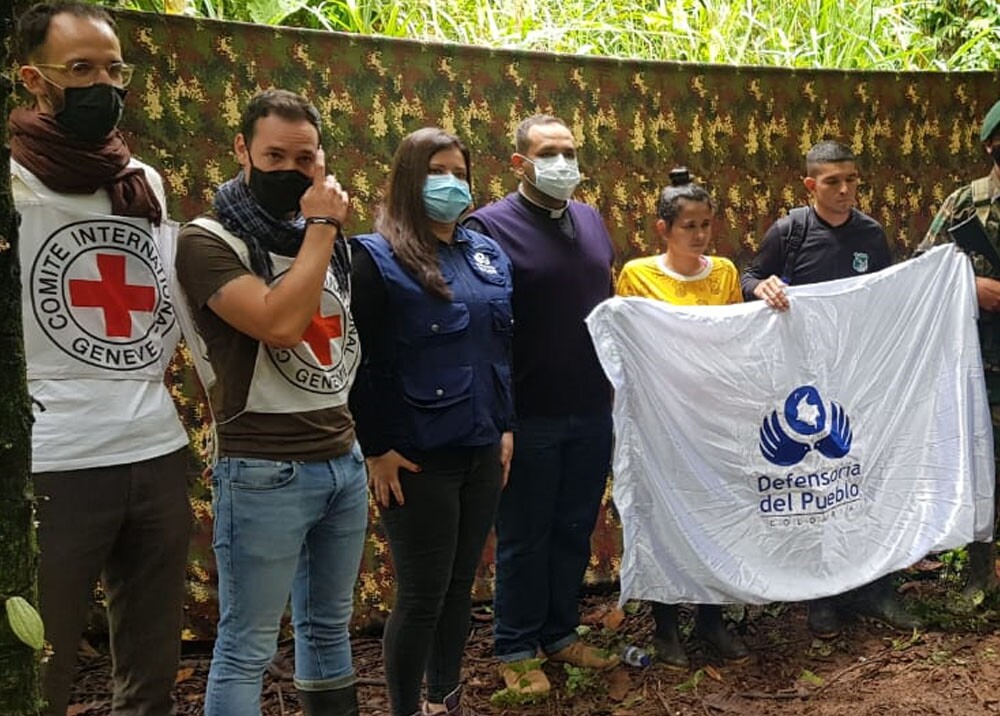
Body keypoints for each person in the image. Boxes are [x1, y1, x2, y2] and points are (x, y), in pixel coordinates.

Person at [11, 4, 192, 714]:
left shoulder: (140, 177)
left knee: (152, 664)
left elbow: (155, 299)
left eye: (114, 68)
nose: (104, 84)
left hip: (152, 446)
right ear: (34, 78)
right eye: (79, 68)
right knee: (39, 664)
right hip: (53, 456)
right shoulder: (12, 184)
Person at [174, 89, 367, 716]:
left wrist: (319, 231)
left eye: (304, 157)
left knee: (329, 629)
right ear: (242, 151)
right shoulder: (207, 242)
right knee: (246, 645)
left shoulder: (322, 238)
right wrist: (322, 224)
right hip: (263, 468)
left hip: (342, 457)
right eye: (274, 155)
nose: (290, 169)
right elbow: (280, 324)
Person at [348, 127, 514, 716]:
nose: (450, 183)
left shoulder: (486, 253)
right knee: (420, 596)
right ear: (407, 179)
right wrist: (376, 447)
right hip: (415, 457)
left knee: (458, 589)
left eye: (459, 172)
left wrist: (506, 425)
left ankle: (446, 700)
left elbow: (499, 348)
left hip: (481, 445)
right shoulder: (373, 257)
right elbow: (358, 360)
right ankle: (405, 709)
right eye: (435, 171)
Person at [464, 114, 618, 696]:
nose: (563, 163)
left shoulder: (589, 218)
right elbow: (481, 327)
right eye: (549, 152)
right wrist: (499, 418)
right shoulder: (487, 227)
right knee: (525, 533)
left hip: (590, 407)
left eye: (570, 151)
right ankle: (516, 646)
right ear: (519, 163)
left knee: (574, 528)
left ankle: (560, 633)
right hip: (527, 412)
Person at [741, 139, 920, 638]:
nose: (844, 191)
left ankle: (875, 587)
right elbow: (748, 275)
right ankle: (822, 595)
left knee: (868, 476)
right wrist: (762, 287)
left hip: (861, 380)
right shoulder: (791, 231)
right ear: (810, 185)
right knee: (818, 483)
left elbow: (886, 299)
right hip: (806, 384)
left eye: (852, 181)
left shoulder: (871, 234)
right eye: (832, 182)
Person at [616, 168, 748, 668]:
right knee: (663, 520)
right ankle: (666, 627)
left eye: (706, 224)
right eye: (689, 225)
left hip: (714, 421)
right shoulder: (637, 275)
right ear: (663, 229)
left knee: (715, 516)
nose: (699, 234)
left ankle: (711, 621)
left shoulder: (725, 273)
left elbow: (735, 340)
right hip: (660, 422)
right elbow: (629, 348)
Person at [917, 98, 1000, 601]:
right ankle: (979, 575)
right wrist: (974, 288)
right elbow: (924, 270)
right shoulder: (965, 204)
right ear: (991, 144)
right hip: (980, 361)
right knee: (981, 462)